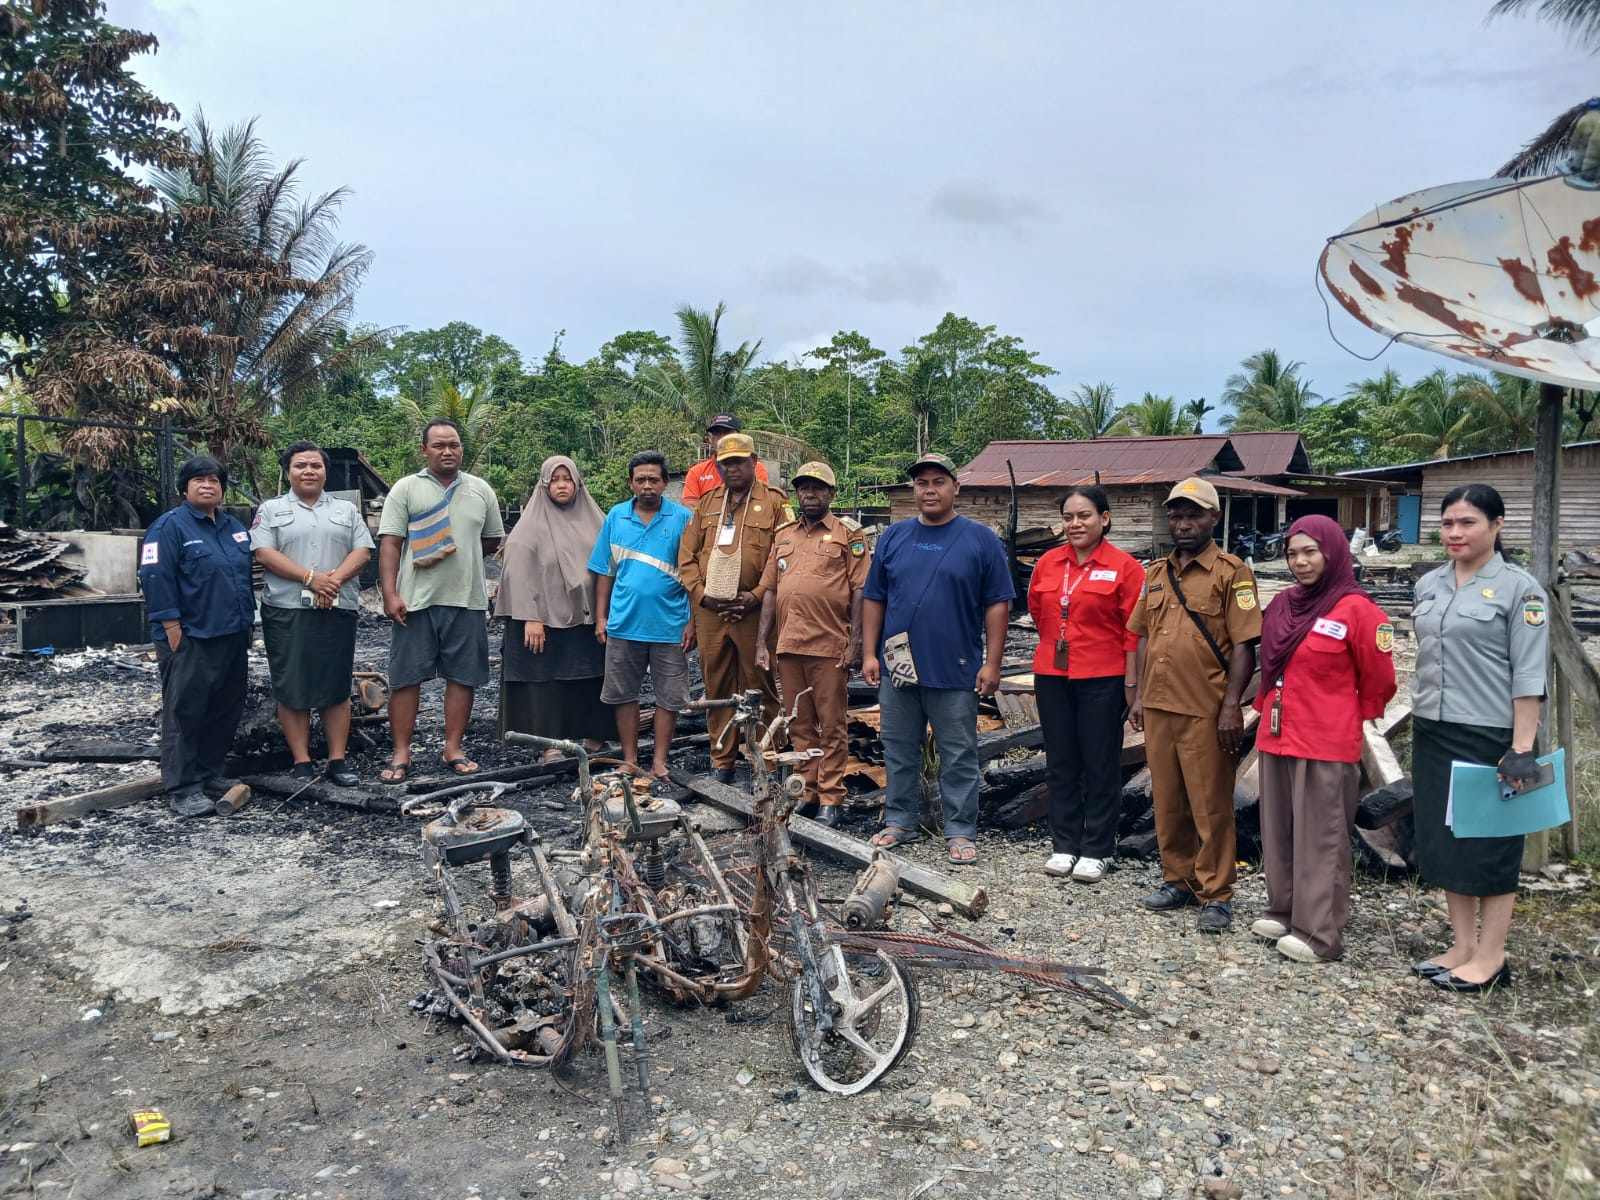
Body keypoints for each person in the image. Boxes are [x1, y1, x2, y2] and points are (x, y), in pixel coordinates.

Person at [1409, 484, 1547, 993]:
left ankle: (1492, 957)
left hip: (1491, 735)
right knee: (1445, 842)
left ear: (1497, 524)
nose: (1455, 533)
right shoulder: (1429, 584)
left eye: (1467, 522)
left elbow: (1529, 676)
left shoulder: (1520, 590)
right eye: (1447, 523)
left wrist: (1522, 747)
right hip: (1434, 728)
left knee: (1490, 845)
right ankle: (1462, 945)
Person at [1251, 515, 1397, 962]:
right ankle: (1284, 908)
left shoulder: (1358, 610)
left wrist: (1352, 717)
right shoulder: (1282, 604)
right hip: (1277, 733)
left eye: (1310, 551)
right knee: (1278, 829)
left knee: (1322, 835)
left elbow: (1380, 678)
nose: (1300, 562)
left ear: (1332, 552)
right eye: (1293, 553)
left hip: (1325, 738)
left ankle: (1320, 932)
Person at [861, 453, 1014, 865]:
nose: (929, 489)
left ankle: (961, 830)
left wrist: (993, 663)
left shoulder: (980, 540)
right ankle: (900, 821)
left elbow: (997, 604)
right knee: (898, 747)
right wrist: (869, 654)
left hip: (956, 666)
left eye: (938, 482)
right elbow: (874, 597)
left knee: (958, 752)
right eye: (921, 483)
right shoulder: (894, 537)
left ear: (955, 488)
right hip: (899, 668)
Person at [1127, 477, 1260, 932]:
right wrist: (1140, 695)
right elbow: (1142, 635)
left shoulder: (1232, 572)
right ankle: (1177, 879)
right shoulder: (1156, 573)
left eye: (1194, 515)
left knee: (1211, 804)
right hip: (1161, 705)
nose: (1183, 524)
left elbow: (1245, 645)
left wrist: (1231, 707)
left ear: (1214, 519)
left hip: (1206, 707)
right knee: (1168, 801)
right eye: (1177, 515)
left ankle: (1216, 893)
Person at [1025, 485, 1143, 883]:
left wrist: (1131, 680)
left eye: (1085, 516)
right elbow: (1039, 613)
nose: (1075, 524)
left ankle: (1096, 847)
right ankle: (1064, 844)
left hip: (1103, 676)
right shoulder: (1048, 563)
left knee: (1099, 763)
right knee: (1060, 761)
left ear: (1104, 519)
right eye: (1069, 517)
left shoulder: (1125, 567)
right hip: (1053, 675)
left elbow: (1134, 630)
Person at [376, 419, 505, 782]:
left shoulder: (480, 490)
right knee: (405, 679)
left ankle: (453, 748)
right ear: (424, 450)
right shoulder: (406, 489)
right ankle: (401, 752)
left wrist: (457, 556)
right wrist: (390, 593)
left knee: (463, 678)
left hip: (467, 600)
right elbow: (390, 544)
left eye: (454, 445)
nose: (448, 451)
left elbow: (492, 539)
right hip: (414, 602)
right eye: (439, 446)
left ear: (462, 448)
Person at [251, 441, 375, 786]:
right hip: (287, 609)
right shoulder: (271, 509)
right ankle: (302, 761)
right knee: (292, 685)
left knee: (335, 684)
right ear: (288, 471)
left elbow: (363, 550)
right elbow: (263, 552)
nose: (308, 471)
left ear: (325, 471)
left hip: (337, 606)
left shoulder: (345, 510)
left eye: (315, 466)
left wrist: (330, 582)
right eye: (300, 466)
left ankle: (337, 760)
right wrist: (309, 578)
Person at [754, 460, 870, 829]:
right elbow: (771, 591)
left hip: (830, 645)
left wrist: (856, 642)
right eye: (804, 487)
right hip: (789, 645)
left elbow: (860, 591)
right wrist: (762, 643)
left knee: (832, 725)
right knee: (799, 724)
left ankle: (832, 797)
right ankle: (807, 791)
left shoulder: (848, 535)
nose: (810, 494)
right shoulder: (784, 535)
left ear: (831, 494)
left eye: (818, 488)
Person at [139, 455, 255, 816]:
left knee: (224, 708)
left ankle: (208, 773)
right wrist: (171, 626)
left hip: (232, 633)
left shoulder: (232, 526)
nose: (208, 485)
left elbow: (242, 576)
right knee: (185, 712)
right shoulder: (168, 528)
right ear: (184, 488)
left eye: (214, 480)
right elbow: (154, 577)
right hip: (190, 637)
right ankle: (183, 787)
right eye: (199, 480)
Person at [678, 432, 787, 783]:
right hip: (711, 611)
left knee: (761, 684)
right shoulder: (707, 503)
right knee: (717, 687)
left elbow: (782, 555)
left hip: (755, 612)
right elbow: (687, 557)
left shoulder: (774, 503)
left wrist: (755, 595)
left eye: (739, 461)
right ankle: (722, 761)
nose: (733, 468)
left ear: (754, 462)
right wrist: (702, 596)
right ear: (718, 466)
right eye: (726, 463)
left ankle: (765, 761)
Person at [495, 455, 616, 757]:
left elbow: (611, 565)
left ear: (577, 483)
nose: (562, 485)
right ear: (545, 484)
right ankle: (549, 745)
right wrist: (530, 617)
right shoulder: (529, 526)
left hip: (588, 617)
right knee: (545, 681)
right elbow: (517, 574)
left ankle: (595, 738)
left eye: (568, 479)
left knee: (591, 676)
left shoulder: (597, 520)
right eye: (555, 479)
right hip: (543, 620)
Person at [589, 450, 695, 788]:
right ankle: (631, 759)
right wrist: (601, 617)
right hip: (624, 623)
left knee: (670, 696)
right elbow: (605, 572)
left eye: (653, 479)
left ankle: (660, 761)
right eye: (640, 479)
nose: (647, 485)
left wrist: (693, 622)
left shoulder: (682, 519)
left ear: (665, 483)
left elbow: (694, 574)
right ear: (630, 483)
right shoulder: (616, 517)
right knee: (623, 693)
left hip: (670, 625)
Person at [680, 414, 771, 505]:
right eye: (718, 432)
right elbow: (689, 504)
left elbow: (761, 501)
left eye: (727, 432)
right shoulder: (696, 472)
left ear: (739, 436)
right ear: (711, 439)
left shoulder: (756, 468)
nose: (723, 437)